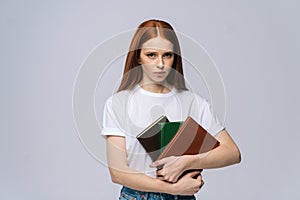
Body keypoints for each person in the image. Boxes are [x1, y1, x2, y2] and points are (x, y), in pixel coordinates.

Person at [101, 19, 241, 200]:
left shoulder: (193, 102)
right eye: (151, 55)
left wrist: (186, 162)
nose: (160, 63)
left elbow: (232, 153)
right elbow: (118, 173)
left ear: (175, 57)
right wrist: (172, 189)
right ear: (137, 57)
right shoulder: (118, 103)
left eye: (167, 55)